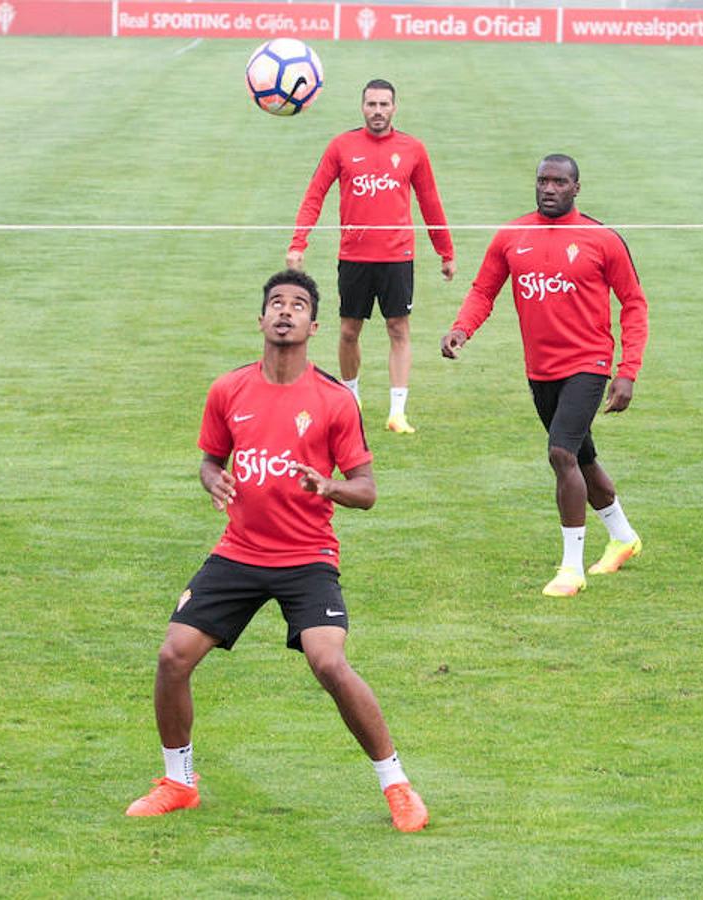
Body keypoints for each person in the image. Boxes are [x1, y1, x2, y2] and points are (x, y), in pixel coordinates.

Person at [125, 270, 429, 832]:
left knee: (330, 662)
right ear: (261, 319)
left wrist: (329, 485)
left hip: (307, 557)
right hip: (239, 553)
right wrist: (211, 479)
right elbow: (211, 459)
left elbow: (367, 491)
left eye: (298, 305)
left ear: (314, 325)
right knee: (173, 656)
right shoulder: (228, 390)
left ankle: (397, 785)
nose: (285, 312)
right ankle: (178, 781)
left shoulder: (334, 401)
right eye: (276, 304)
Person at [440, 154, 647, 598]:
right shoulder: (513, 236)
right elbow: (483, 290)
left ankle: (571, 568)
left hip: (588, 364)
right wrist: (461, 329)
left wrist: (627, 371)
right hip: (540, 370)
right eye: (542, 181)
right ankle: (625, 537)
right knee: (582, 458)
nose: (549, 188)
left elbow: (633, 303)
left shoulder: (601, 239)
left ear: (576, 188)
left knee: (561, 454)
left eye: (559, 182)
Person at [287, 79, 455, 435]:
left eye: (384, 105)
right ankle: (351, 399)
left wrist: (446, 251)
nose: (377, 111)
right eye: (371, 105)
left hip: (397, 258)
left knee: (398, 329)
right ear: (362, 107)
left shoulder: (412, 149)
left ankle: (397, 412)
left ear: (395, 107)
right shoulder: (342, 146)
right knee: (349, 331)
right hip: (355, 257)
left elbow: (430, 201)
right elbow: (314, 194)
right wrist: (298, 243)